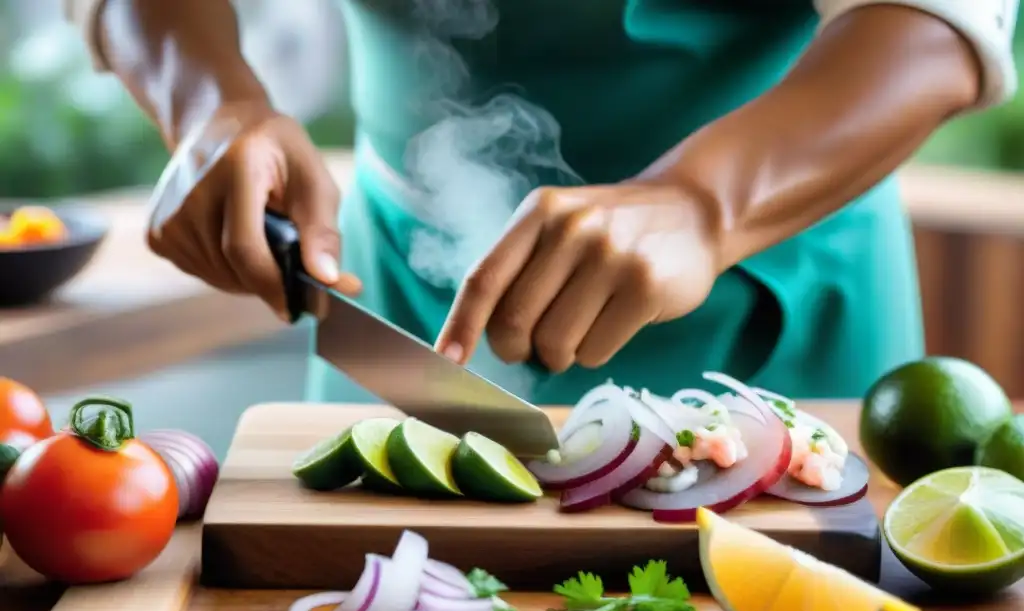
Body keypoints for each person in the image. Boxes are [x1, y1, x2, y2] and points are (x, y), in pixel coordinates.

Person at [66, 0, 1018, 406]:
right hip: (397, 294)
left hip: (771, 291)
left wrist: (700, 205)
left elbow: (935, 22)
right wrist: (210, 99)